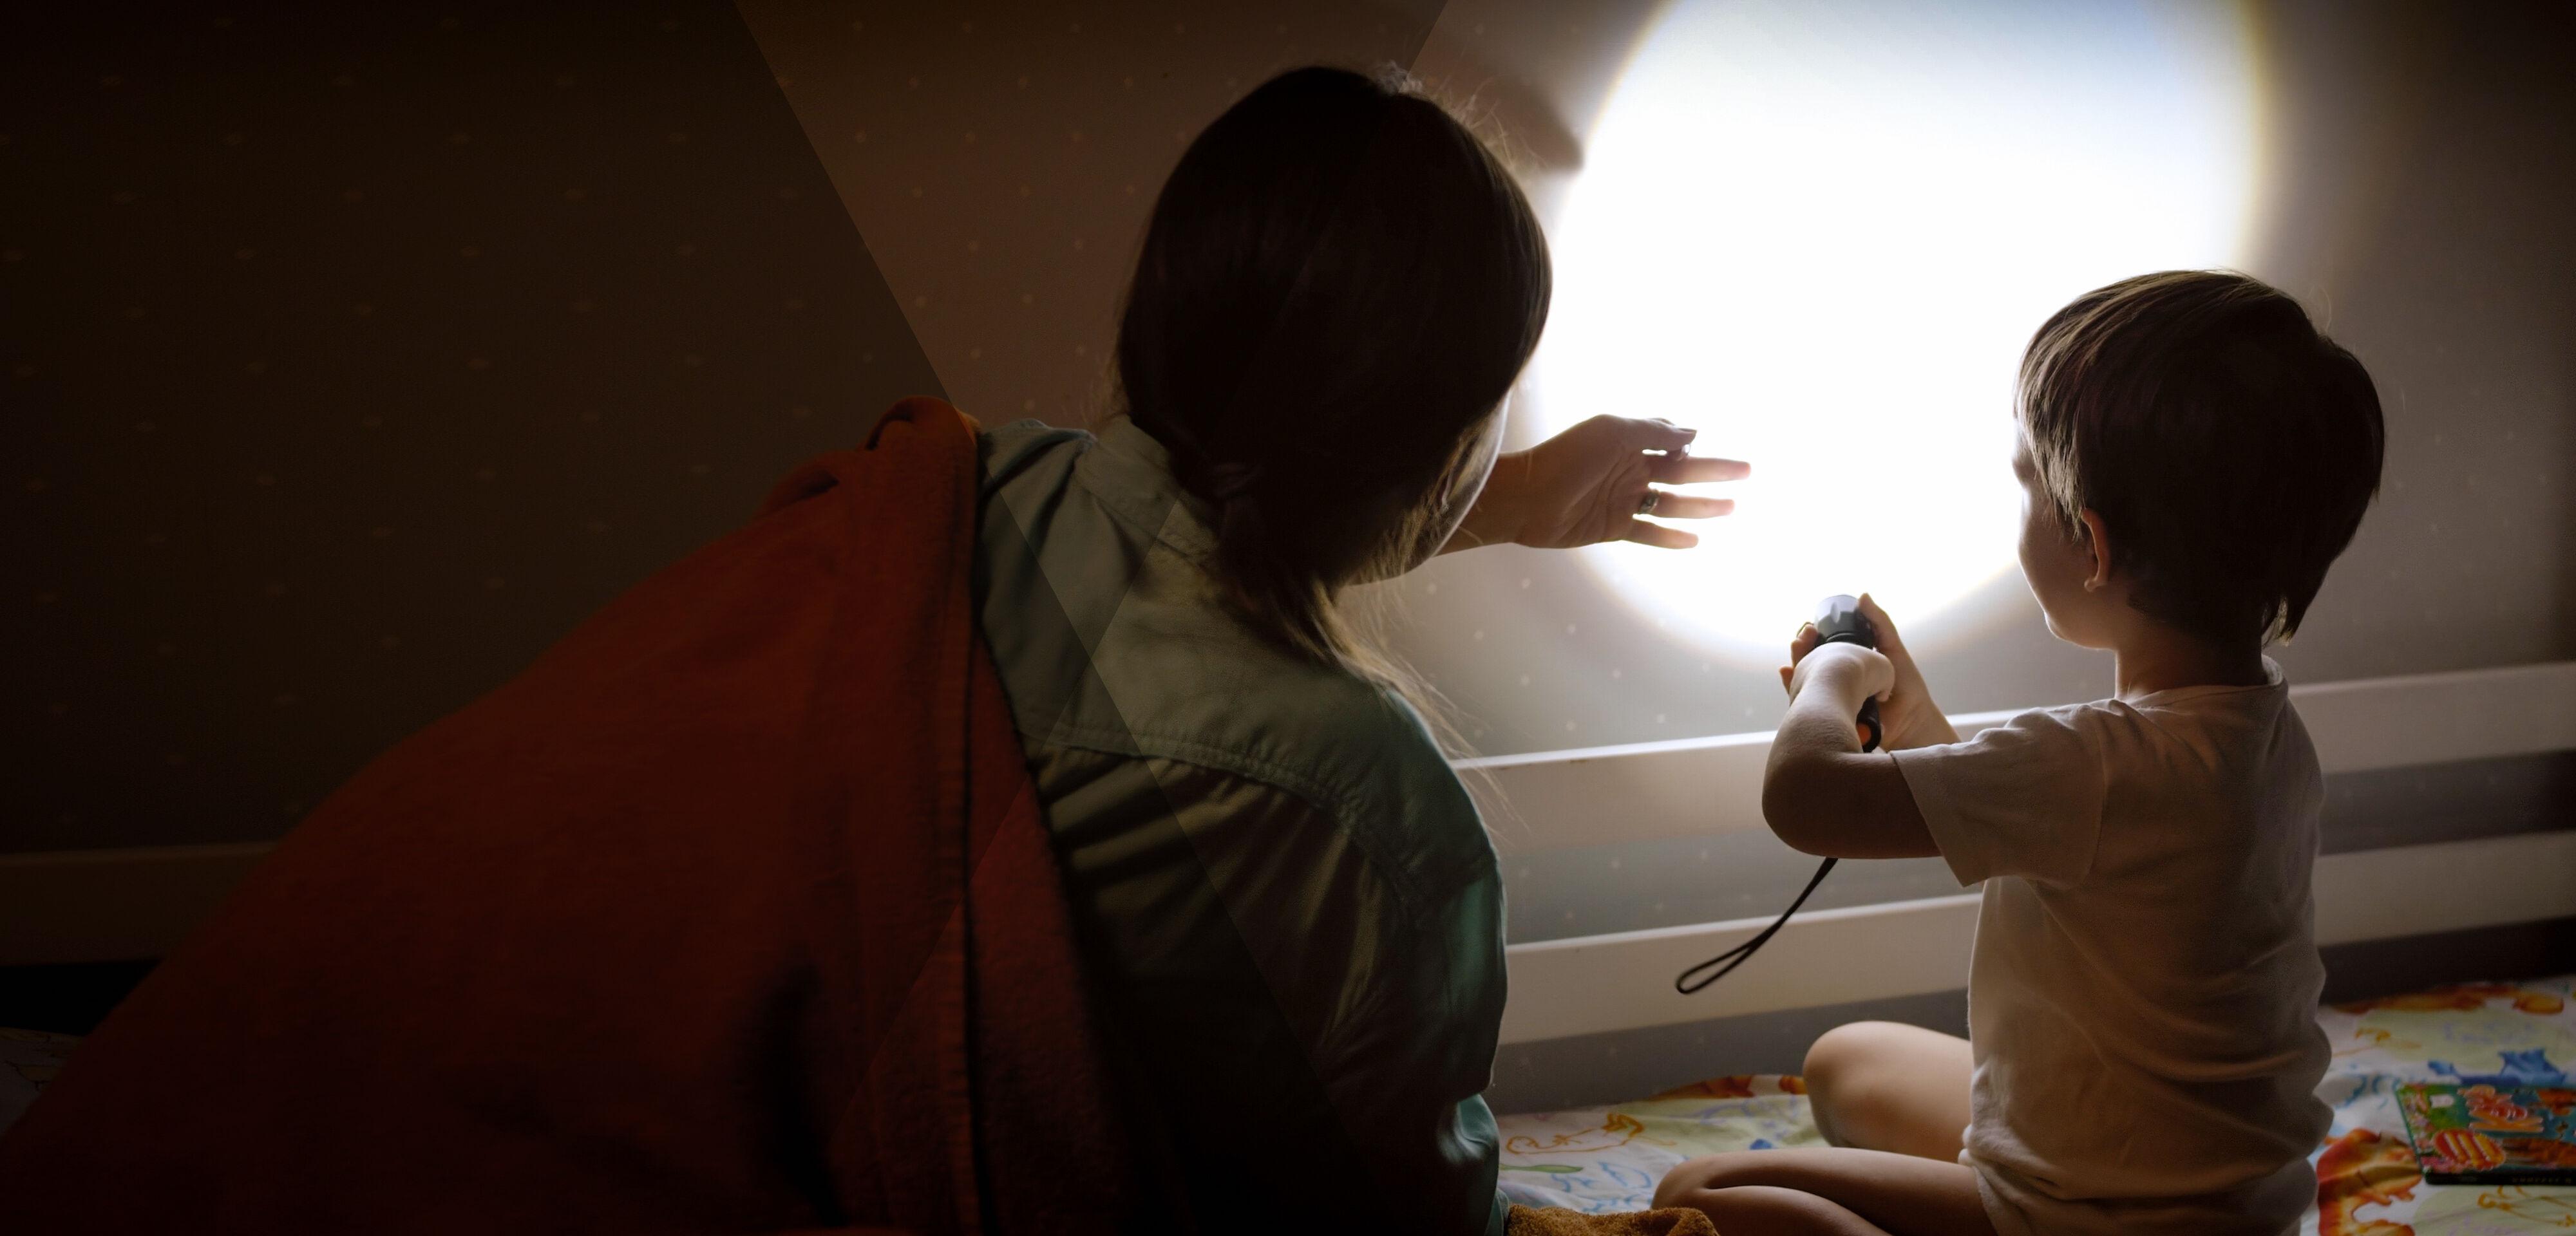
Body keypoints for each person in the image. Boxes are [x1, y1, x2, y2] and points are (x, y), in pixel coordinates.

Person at [978, 66, 1743, 1235]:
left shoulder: (996, 489)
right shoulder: (1357, 800)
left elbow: (1222, 531)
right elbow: (1412, 1208)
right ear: (1437, 449)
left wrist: (1516, 494)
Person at [1654, 270, 2385, 1235]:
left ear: (2091, 545)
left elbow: (1809, 800)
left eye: (2026, 483)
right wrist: (1915, 725)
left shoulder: (2096, 762)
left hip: (2089, 1217)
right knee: (1845, 1061)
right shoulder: (2254, 733)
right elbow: (2065, 835)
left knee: (1695, 1199)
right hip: (2220, 1197)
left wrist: (1831, 678)